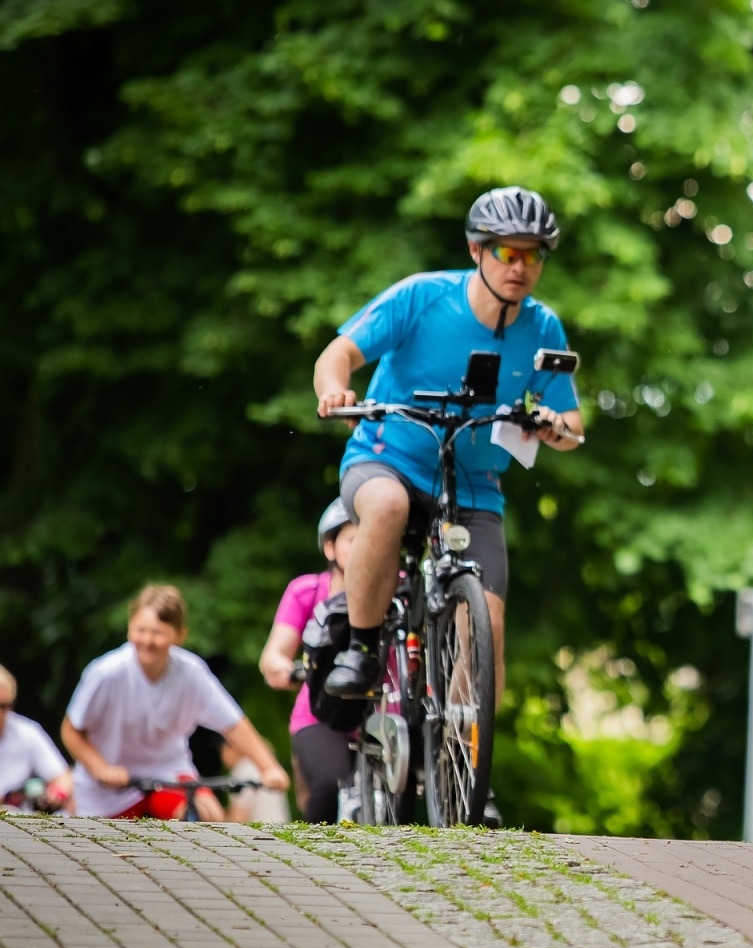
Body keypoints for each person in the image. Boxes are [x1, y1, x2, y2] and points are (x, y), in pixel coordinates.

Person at [312, 186, 583, 704]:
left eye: (534, 255)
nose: (520, 267)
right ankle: (363, 649)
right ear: (476, 250)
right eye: (508, 252)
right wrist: (335, 391)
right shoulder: (422, 296)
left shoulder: (542, 325)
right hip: (386, 459)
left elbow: (571, 420)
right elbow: (338, 353)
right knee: (388, 506)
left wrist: (554, 426)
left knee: (490, 627)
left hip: (474, 486)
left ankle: (464, 756)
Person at [61, 585, 290, 819]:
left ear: (179, 634)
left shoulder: (191, 673)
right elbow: (71, 731)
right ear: (129, 628)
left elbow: (233, 725)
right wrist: (101, 769)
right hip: (107, 791)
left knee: (207, 817)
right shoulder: (106, 673)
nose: (147, 640)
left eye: (158, 633)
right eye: (141, 630)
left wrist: (269, 768)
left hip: (167, 774)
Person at [258, 500, 355, 821]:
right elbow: (274, 654)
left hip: (388, 713)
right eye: (354, 541)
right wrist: (283, 668)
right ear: (330, 547)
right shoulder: (306, 591)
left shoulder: (402, 589)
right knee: (329, 786)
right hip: (320, 713)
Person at [0, 664, 73, 814]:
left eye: (4, 706)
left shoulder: (27, 732)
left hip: (19, 819)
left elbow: (63, 778)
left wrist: (56, 794)